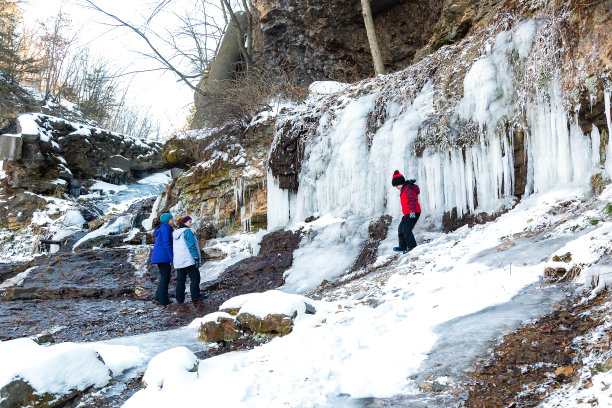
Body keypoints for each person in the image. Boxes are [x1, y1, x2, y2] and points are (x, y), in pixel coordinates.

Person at [172, 215, 206, 303]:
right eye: (189, 221)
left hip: (179, 260)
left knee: (181, 279)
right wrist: (195, 257)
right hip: (188, 259)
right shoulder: (187, 231)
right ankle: (195, 296)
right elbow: (191, 245)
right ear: (184, 222)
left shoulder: (176, 232)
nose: (191, 223)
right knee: (195, 277)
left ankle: (179, 299)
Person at [391, 170, 421, 254]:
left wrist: (412, 211)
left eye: (397, 185)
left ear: (401, 183)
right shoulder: (404, 189)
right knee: (401, 229)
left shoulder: (407, 189)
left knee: (406, 230)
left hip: (413, 212)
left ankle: (412, 247)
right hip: (408, 213)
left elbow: (413, 200)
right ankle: (403, 247)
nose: (396, 187)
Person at [150, 213, 174, 305]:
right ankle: (164, 300)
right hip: (163, 256)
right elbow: (166, 243)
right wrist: (171, 258)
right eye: (171, 219)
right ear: (167, 220)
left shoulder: (160, 228)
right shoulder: (166, 228)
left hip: (158, 256)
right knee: (165, 278)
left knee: (163, 277)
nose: (173, 220)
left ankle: (158, 297)